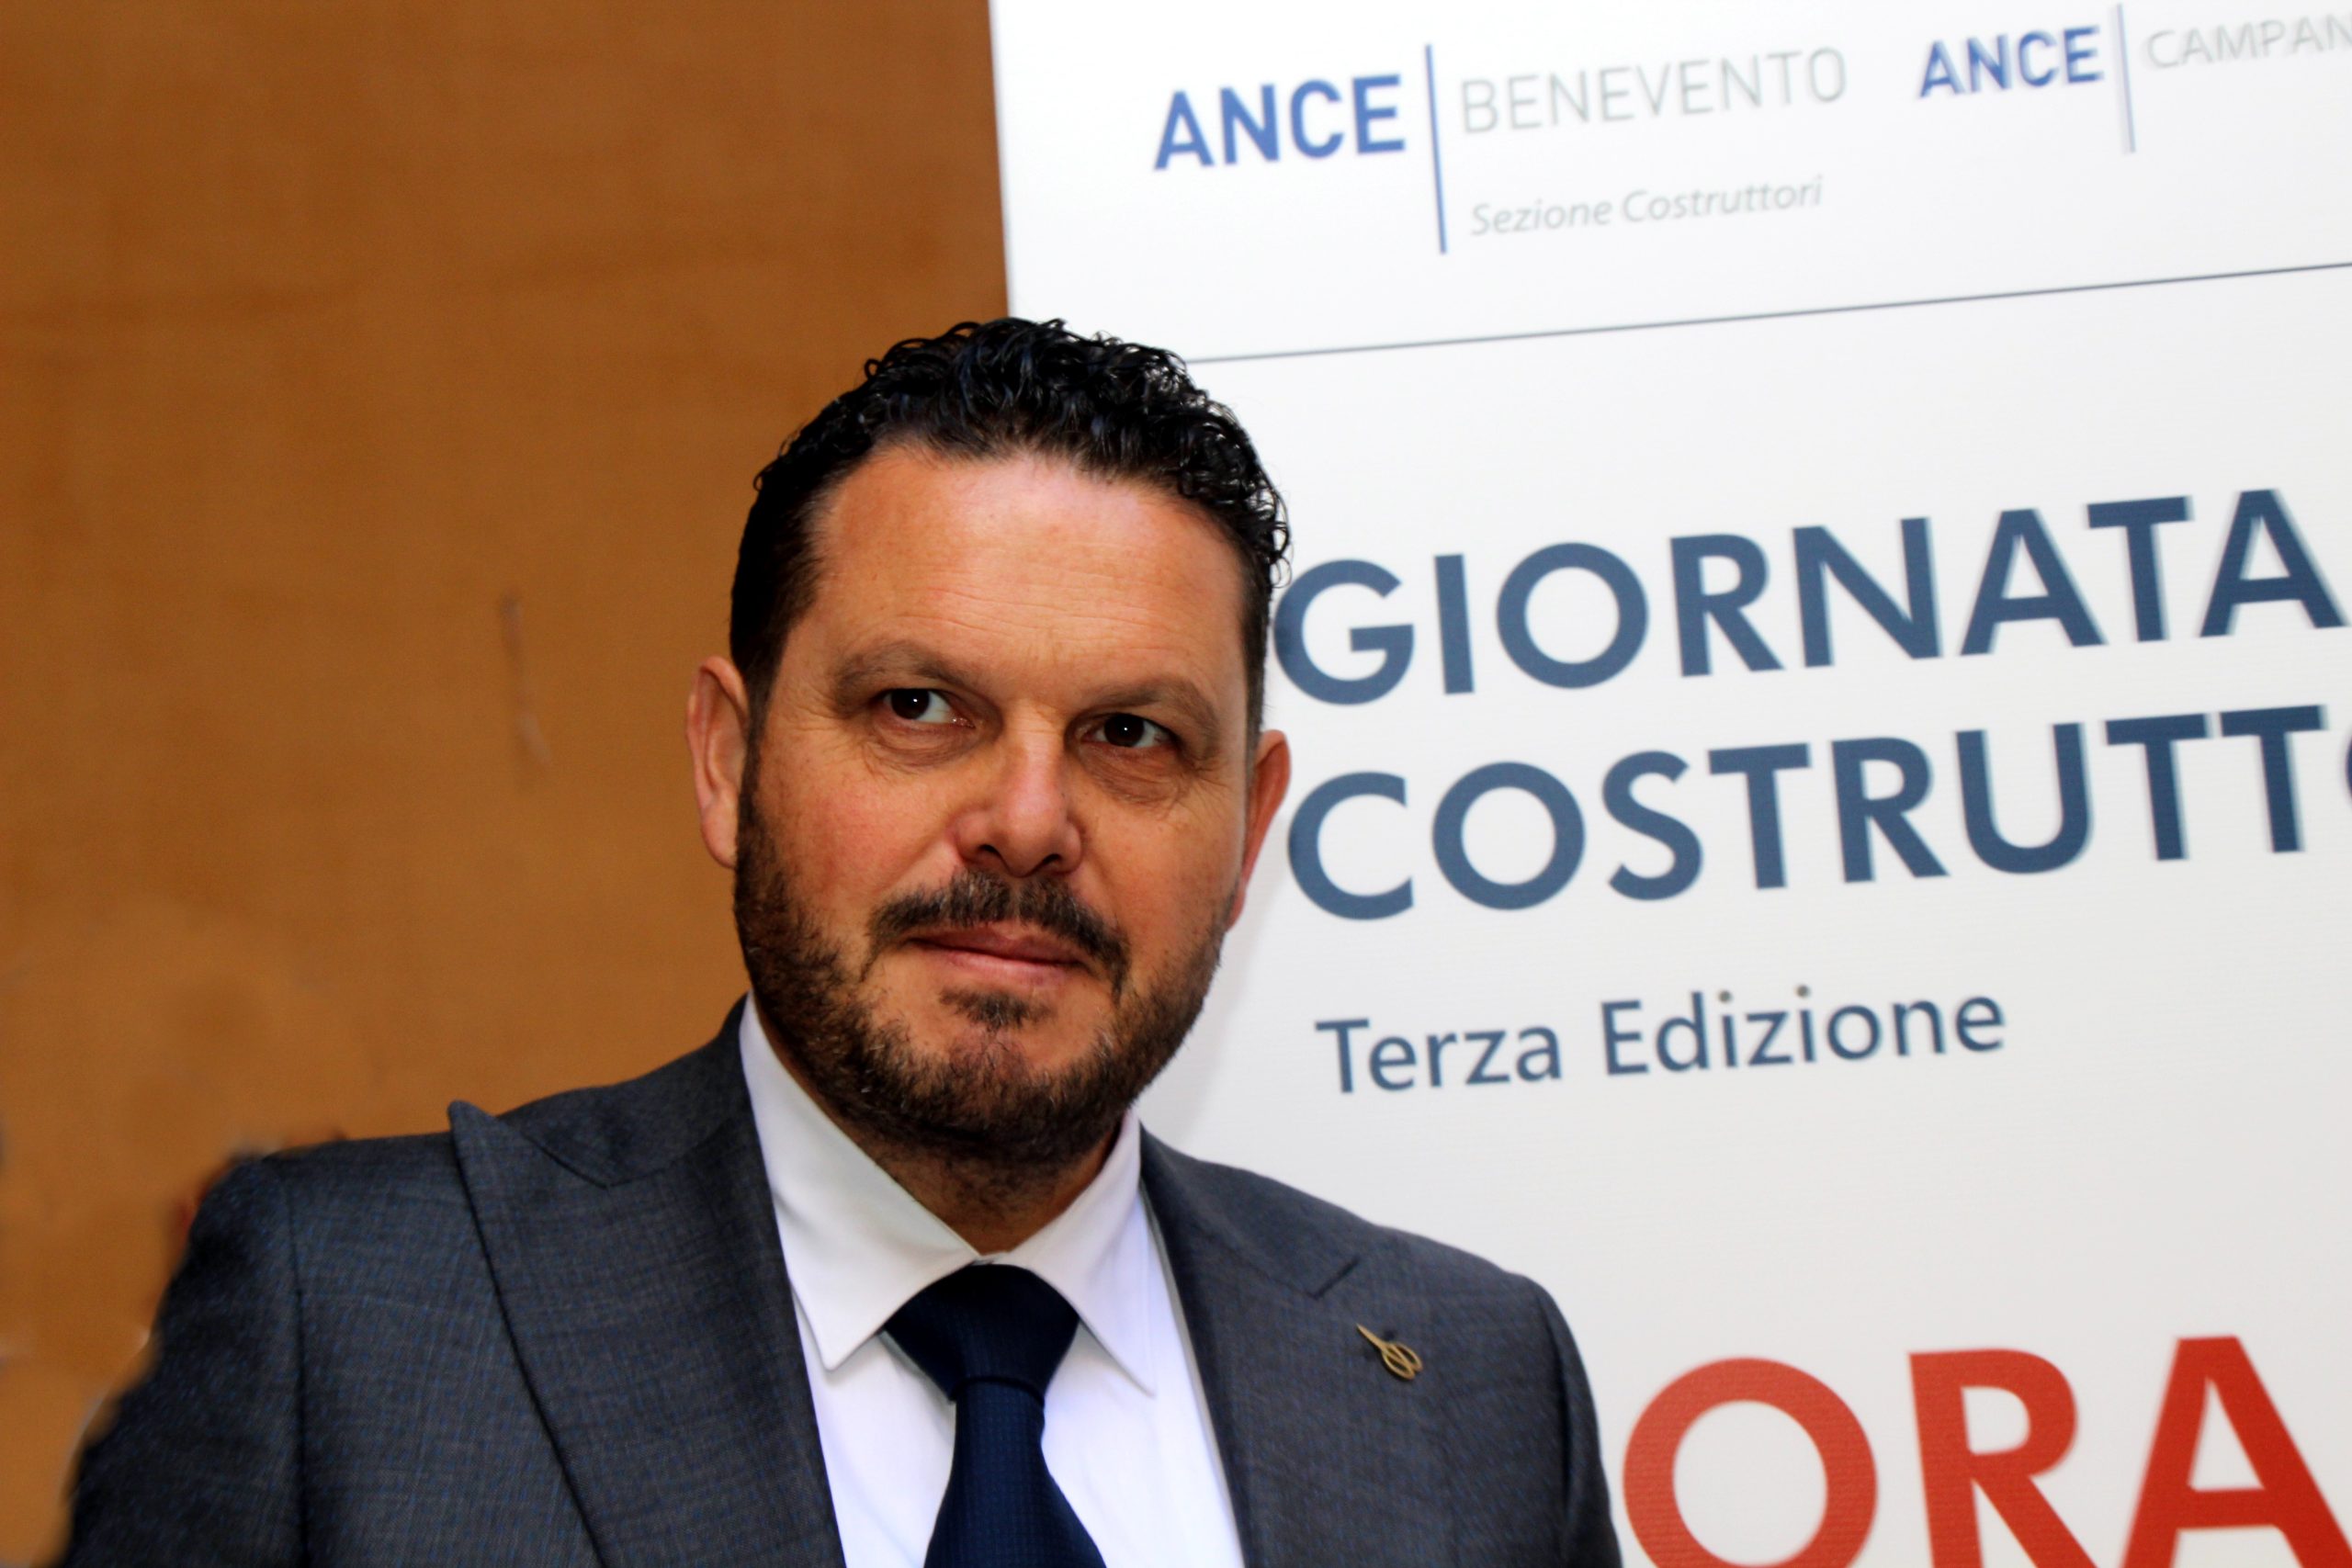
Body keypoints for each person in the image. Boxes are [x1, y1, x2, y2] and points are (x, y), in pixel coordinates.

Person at [62, 319, 1620, 1566]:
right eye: (917, 707)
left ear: (1250, 827)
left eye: (1133, 735)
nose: (1027, 822)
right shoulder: (348, 1328)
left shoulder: (1473, 1388)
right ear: (728, 761)